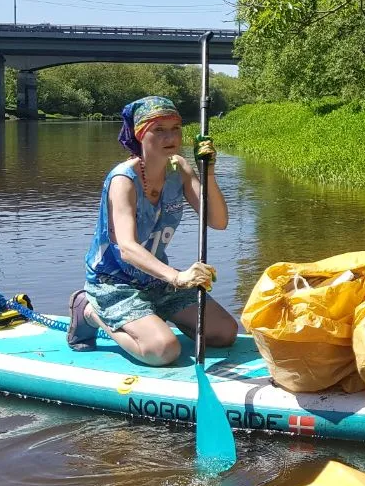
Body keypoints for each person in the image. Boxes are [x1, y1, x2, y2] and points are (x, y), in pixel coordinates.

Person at [68, 95, 238, 366]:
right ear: (140, 135)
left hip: (157, 280)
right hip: (114, 283)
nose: (170, 137)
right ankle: (88, 311)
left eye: (175, 129)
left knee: (224, 333)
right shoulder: (124, 179)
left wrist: (209, 172)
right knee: (163, 351)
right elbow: (127, 248)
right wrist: (178, 278)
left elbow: (218, 221)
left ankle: (152, 314)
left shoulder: (179, 169)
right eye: (158, 130)